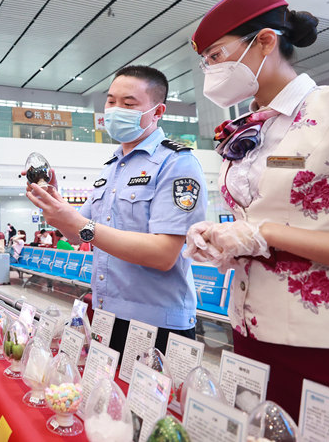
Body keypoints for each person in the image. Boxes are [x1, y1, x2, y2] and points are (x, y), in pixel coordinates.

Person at [183, 0, 329, 437]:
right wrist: (226, 240)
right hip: (248, 340)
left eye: (215, 55)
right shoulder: (244, 132)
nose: (209, 70)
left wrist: (266, 234)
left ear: (265, 41)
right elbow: (266, 219)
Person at [26, 65, 207, 358]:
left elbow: (164, 254)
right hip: (106, 314)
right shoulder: (111, 167)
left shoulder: (177, 163)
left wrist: (84, 227)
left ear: (157, 112)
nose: (115, 109)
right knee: (102, 401)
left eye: (128, 103)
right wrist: (54, 202)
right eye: (111, 101)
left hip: (157, 323)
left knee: (148, 404)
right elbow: (73, 233)